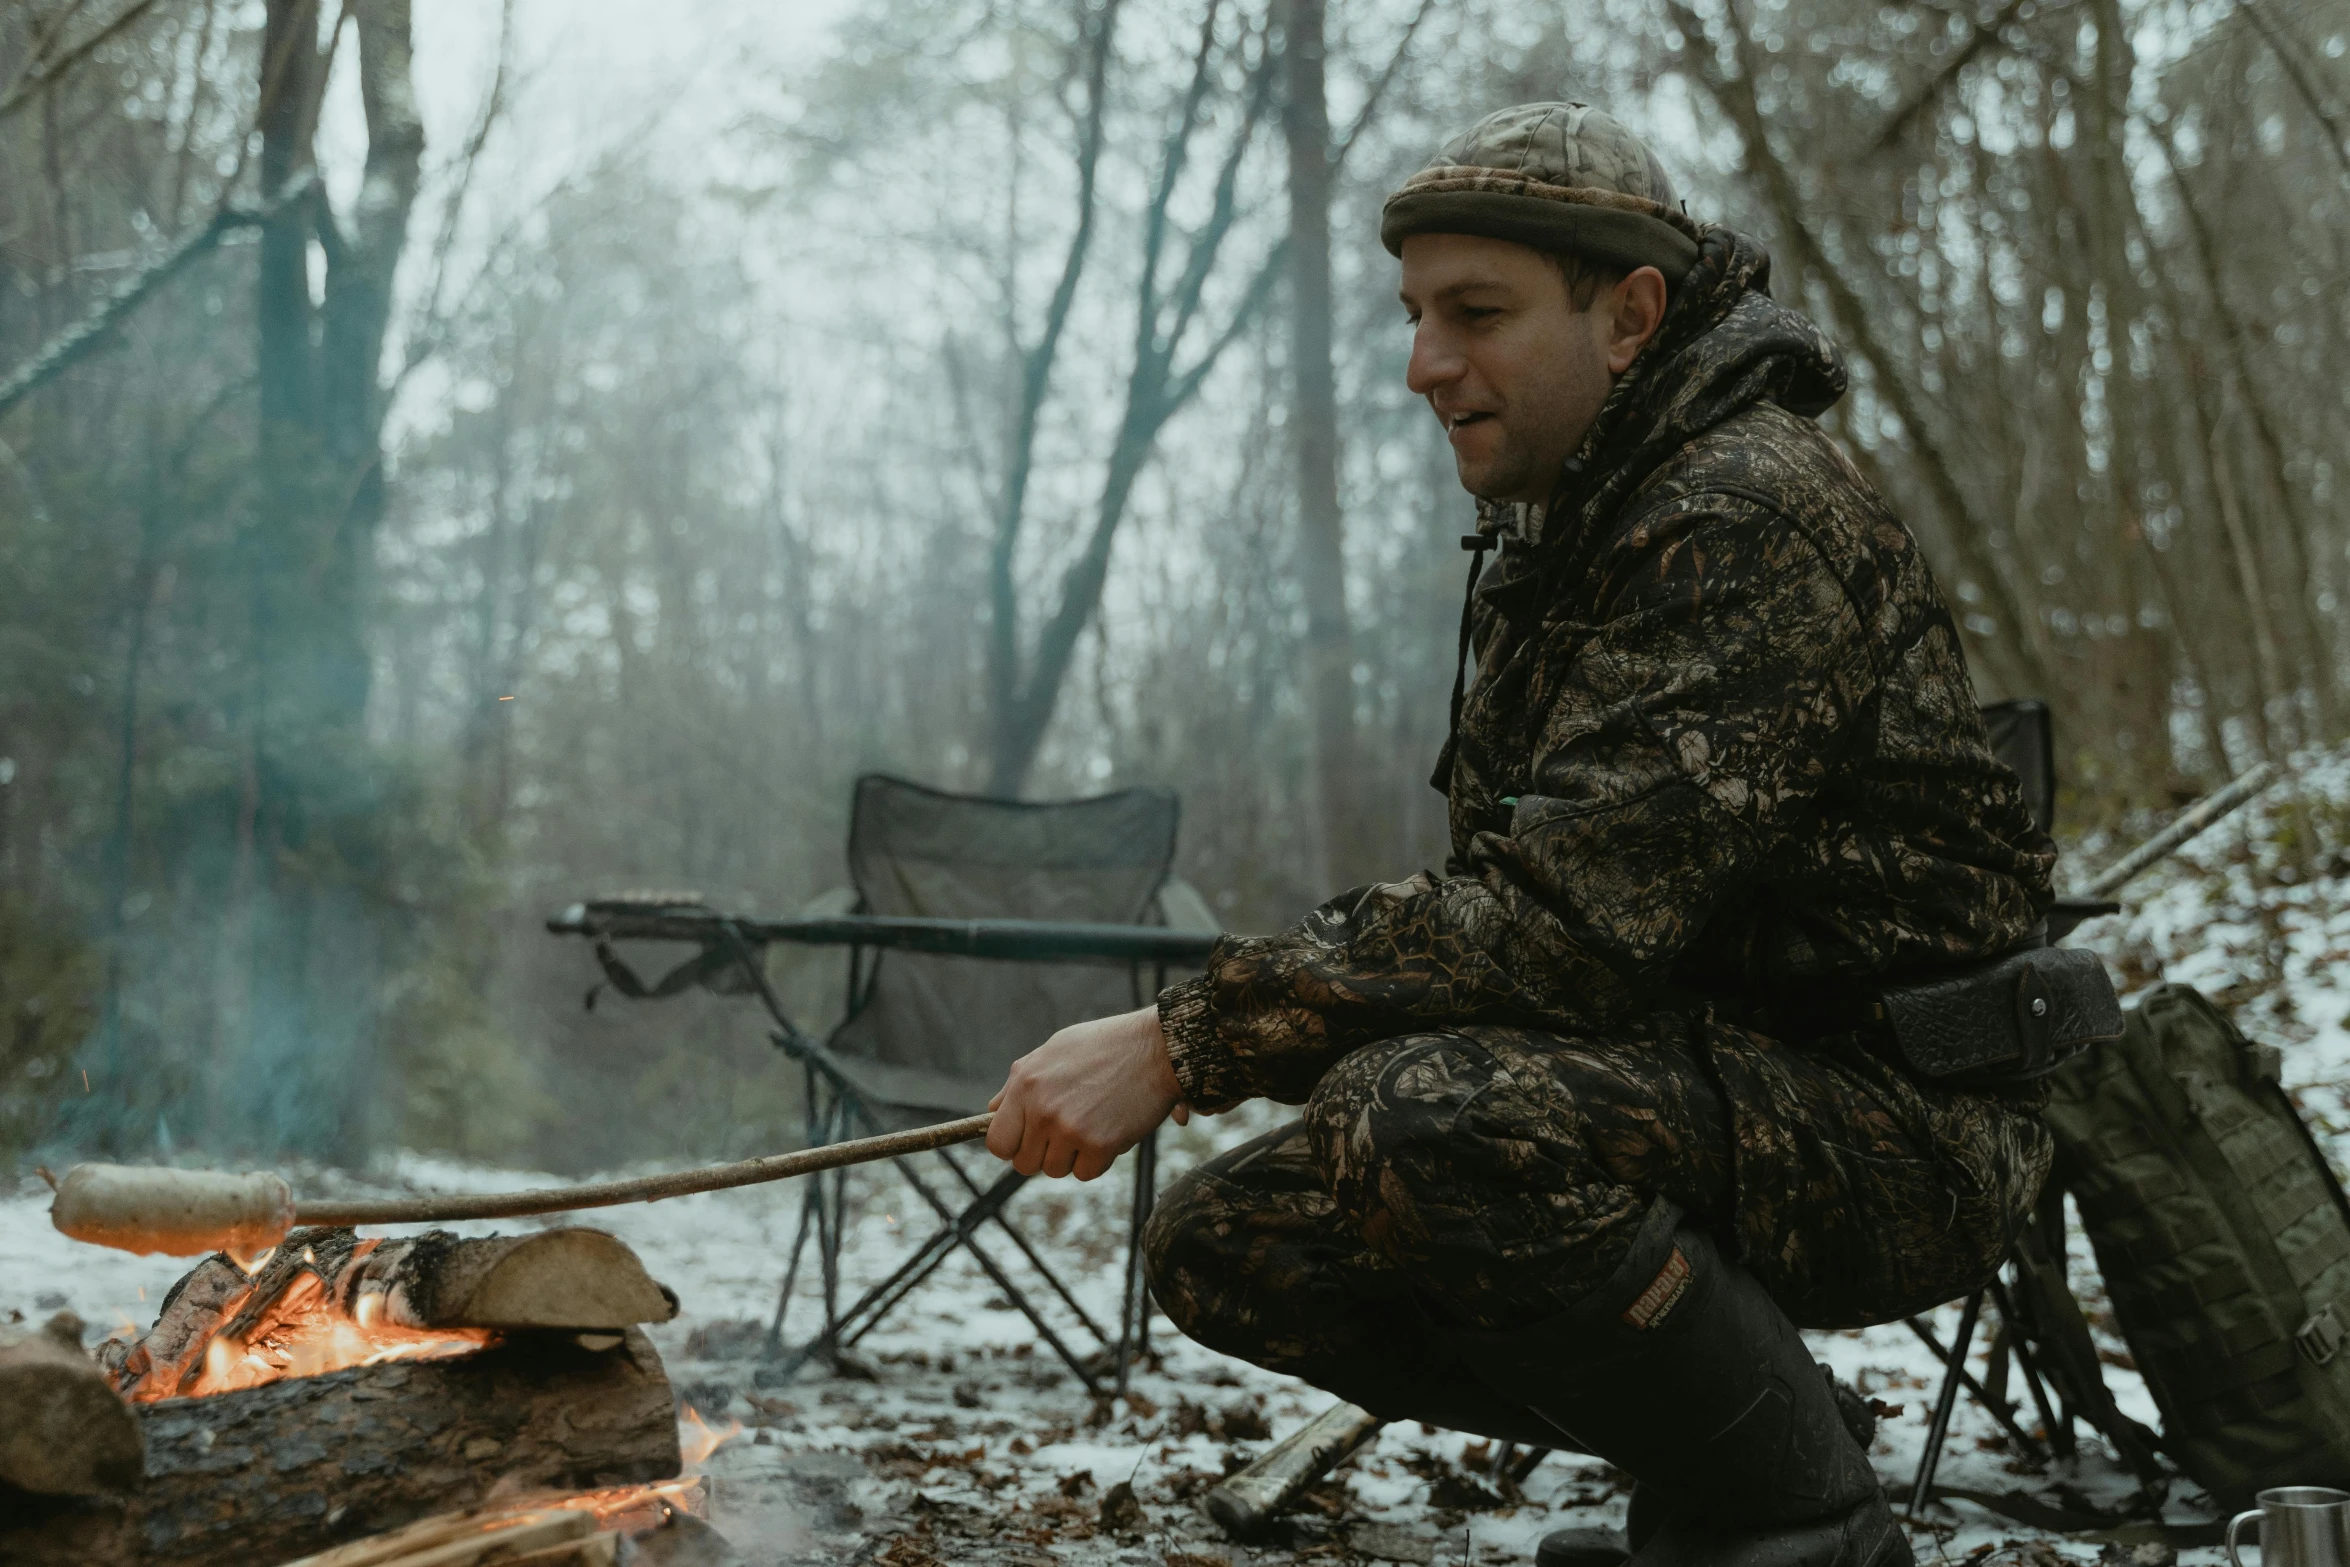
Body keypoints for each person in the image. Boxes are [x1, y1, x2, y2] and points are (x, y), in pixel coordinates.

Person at [985, 102, 2056, 1567]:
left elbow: (1551, 925)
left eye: (1475, 314)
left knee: (1420, 1114)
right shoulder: (1556, 528)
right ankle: (1741, 1443)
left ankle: (1800, 1522)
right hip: (1714, 1082)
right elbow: (1543, 928)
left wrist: (1187, 1037)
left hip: (1902, 1117)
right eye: (1417, 315)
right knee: (1233, 1243)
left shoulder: (1738, 513)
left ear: (1628, 316)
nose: (1426, 365)